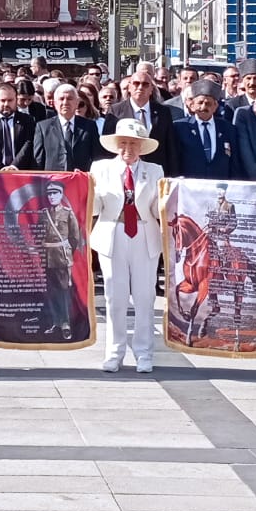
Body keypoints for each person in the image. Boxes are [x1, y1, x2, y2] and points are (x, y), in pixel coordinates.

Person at [91, 118, 163, 372]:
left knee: (145, 297)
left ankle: (144, 354)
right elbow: (95, 207)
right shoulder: (100, 169)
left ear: (141, 146)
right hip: (113, 233)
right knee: (115, 297)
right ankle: (114, 353)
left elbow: (156, 209)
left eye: (133, 144)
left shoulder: (155, 171)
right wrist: (86, 191)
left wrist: (171, 198)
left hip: (144, 234)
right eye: (123, 143)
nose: (127, 149)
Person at [106, 71, 178, 171]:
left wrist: (173, 175)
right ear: (129, 87)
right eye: (136, 83)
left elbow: (170, 146)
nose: (140, 87)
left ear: (151, 89)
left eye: (145, 84)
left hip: (155, 170)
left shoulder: (163, 112)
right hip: (124, 169)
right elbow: (109, 144)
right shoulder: (115, 111)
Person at [174, 79, 234, 180]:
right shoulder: (180, 127)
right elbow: (174, 159)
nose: (203, 107)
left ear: (215, 106)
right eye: (200, 103)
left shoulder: (228, 128)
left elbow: (234, 161)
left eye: (208, 104)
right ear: (192, 105)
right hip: (190, 186)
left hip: (220, 187)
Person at [35, 84, 100, 172]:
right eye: (61, 99)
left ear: (77, 102)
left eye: (69, 99)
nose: (65, 102)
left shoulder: (89, 126)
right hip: (52, 182)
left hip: (80, 180)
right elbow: (38, 160)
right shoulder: (43, 127)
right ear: (54, 103)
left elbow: (96, 156)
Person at [0, 82, 38, 171]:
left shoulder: (27, 120)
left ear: (16, 100)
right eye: (2, 100)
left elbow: (28, 144)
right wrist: (0, 169)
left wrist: (14, 166)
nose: (6, 104)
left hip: (20, 172)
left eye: (10, 100)